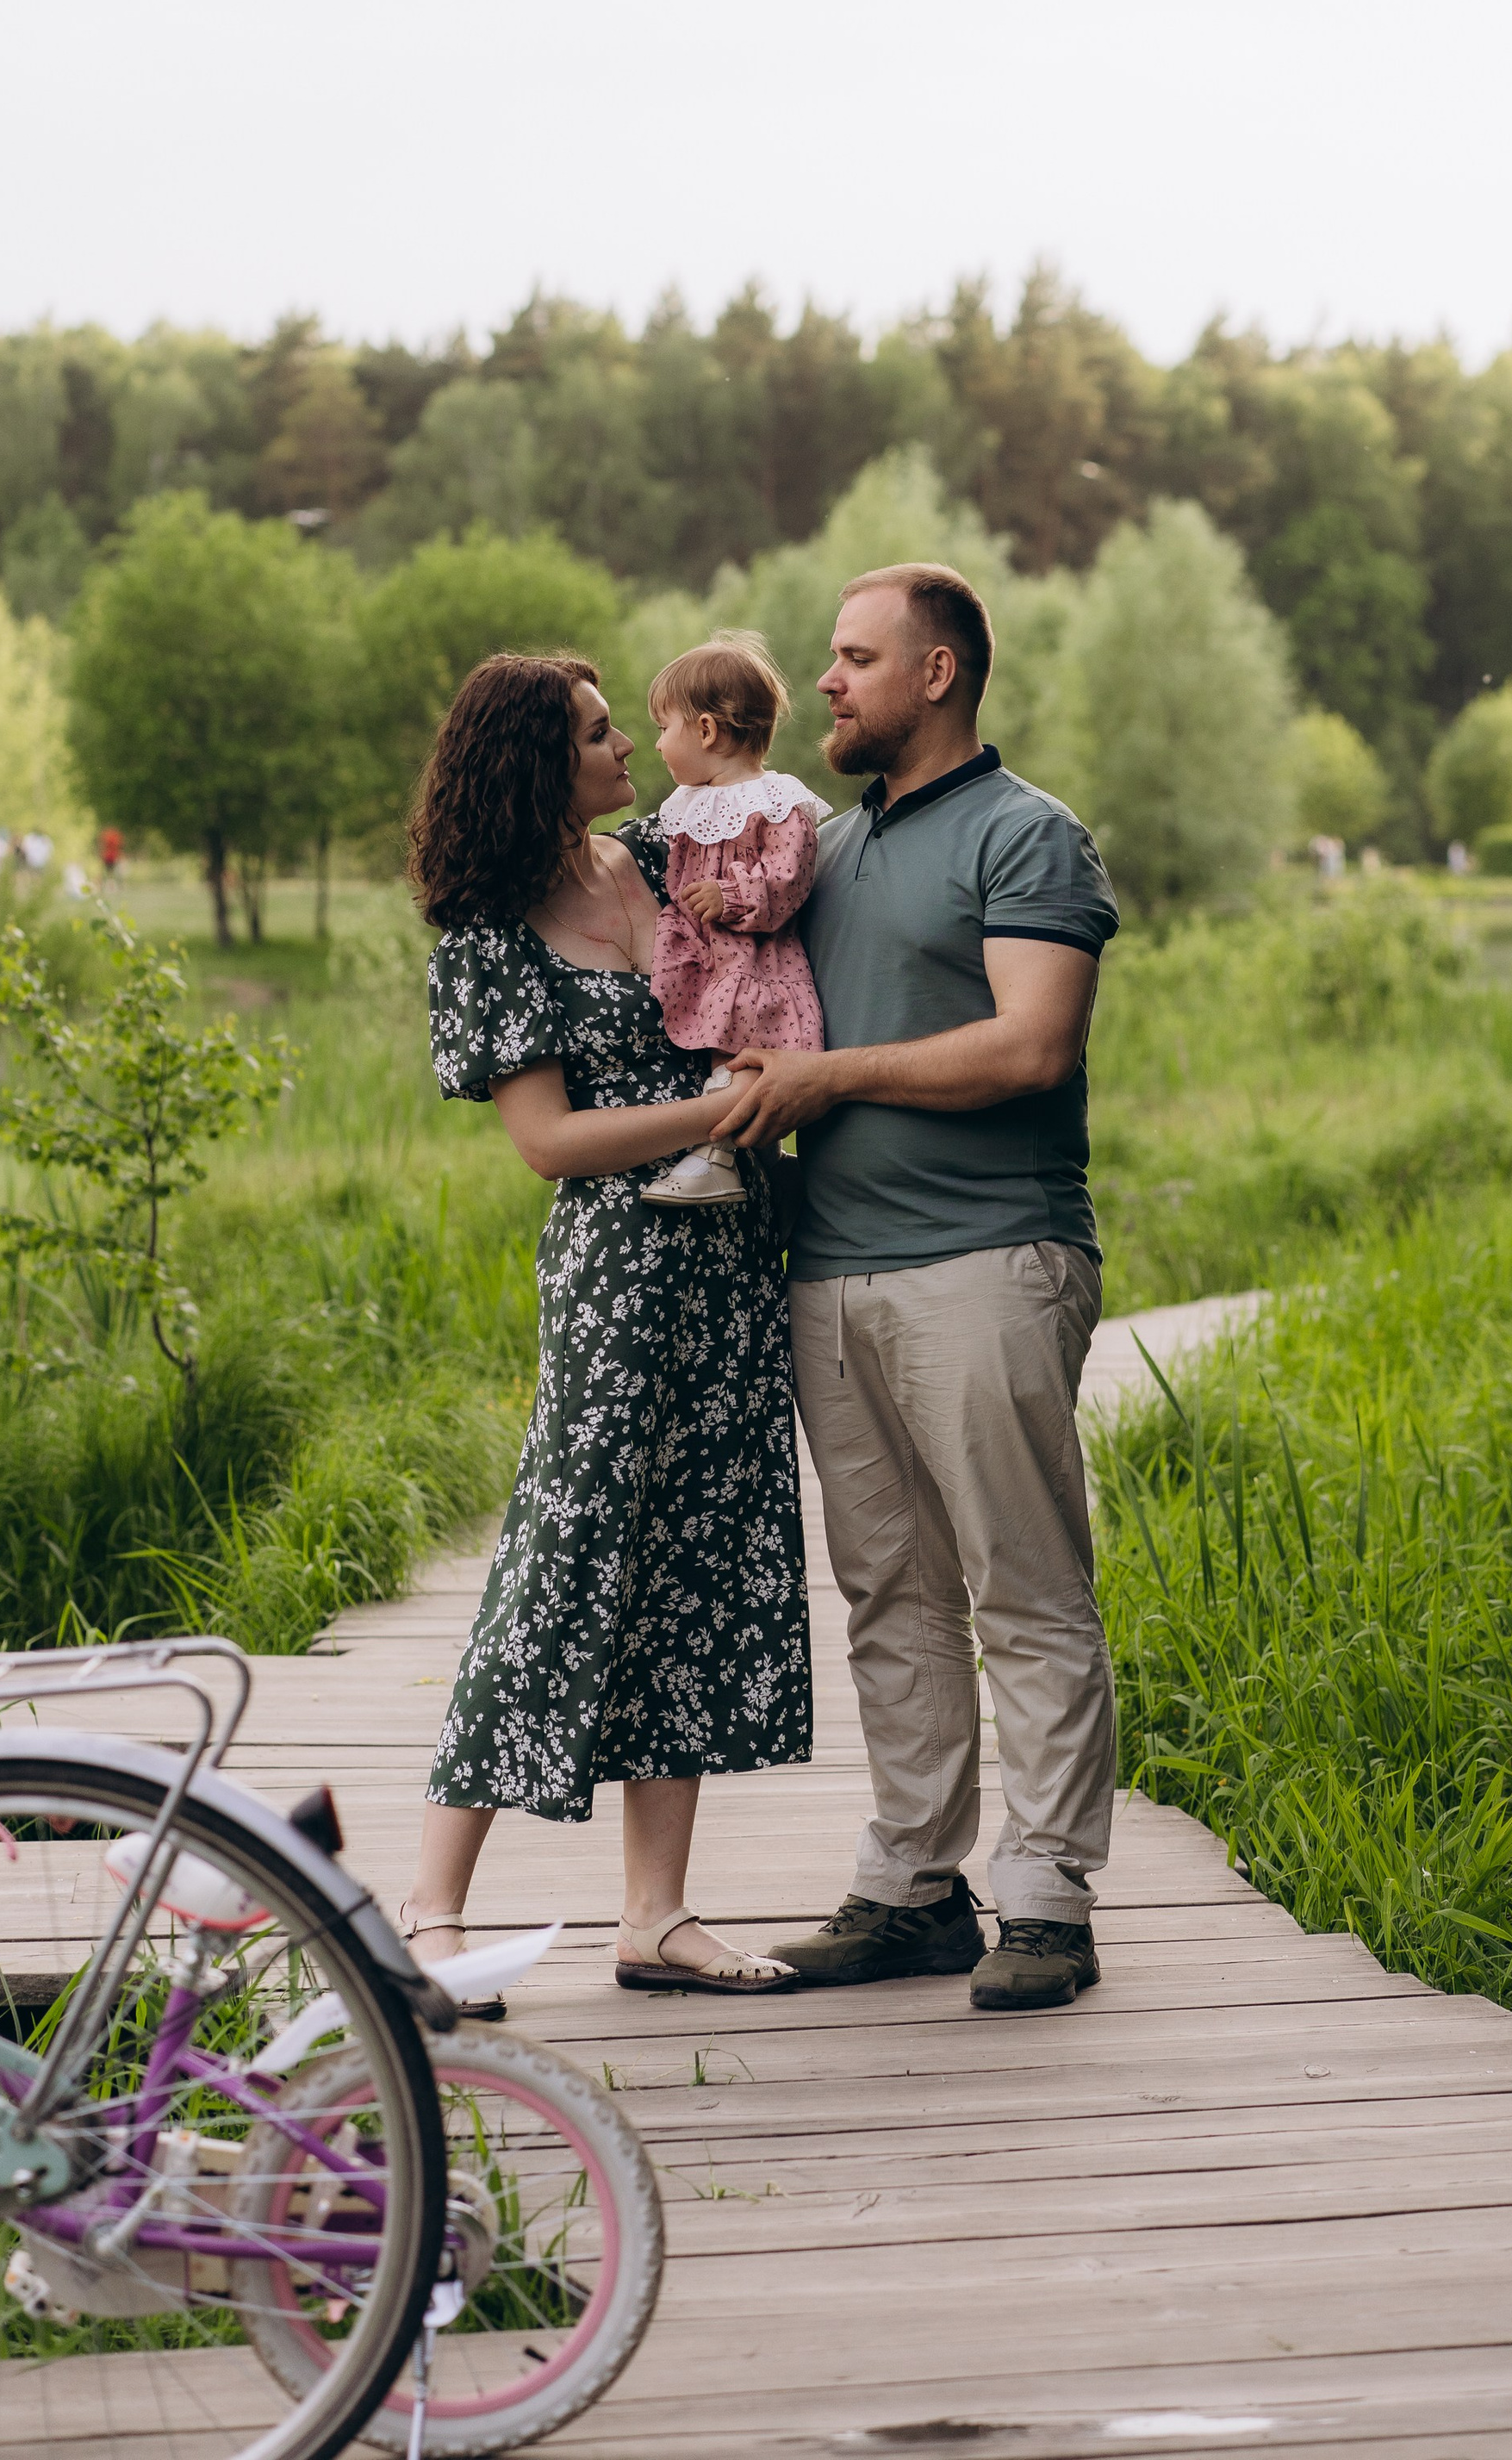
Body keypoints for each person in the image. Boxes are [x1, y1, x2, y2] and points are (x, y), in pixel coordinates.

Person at [729, 563, 1121, 2014]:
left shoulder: (1028, 838)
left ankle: (1047, 1900)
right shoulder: (819, 850)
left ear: (936, 673)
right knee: (887, 1592)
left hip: (990, 1256)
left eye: (852, 656)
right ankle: (913, 1888)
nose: (824, 681)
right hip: (827, 1274)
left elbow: (1031, 1048)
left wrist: (826, 1078)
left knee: (1019, 1585)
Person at [404, 651, 811, 1998]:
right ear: (537, 763)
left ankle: (658, 1915)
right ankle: (431, 1908)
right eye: (595, 735)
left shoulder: (654, 861)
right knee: (564, 1562)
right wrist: (724, 1109)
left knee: (698, 1565)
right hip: (621, 1275)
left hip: (734, 1268)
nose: (626, 751)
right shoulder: (489, 936)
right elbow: (551, 1142)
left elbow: (768, 832)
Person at [638, 632, 824, 1208]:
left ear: (707, 731)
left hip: (756, 963)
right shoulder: (690, 805)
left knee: (742, 1057)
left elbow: (789, 876)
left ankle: (717, 1157)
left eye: (663, 728)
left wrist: (732, 895)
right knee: (720, 1052)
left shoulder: (773, 801)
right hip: (713, 961)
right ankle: (767, 1173)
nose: (656, 745)